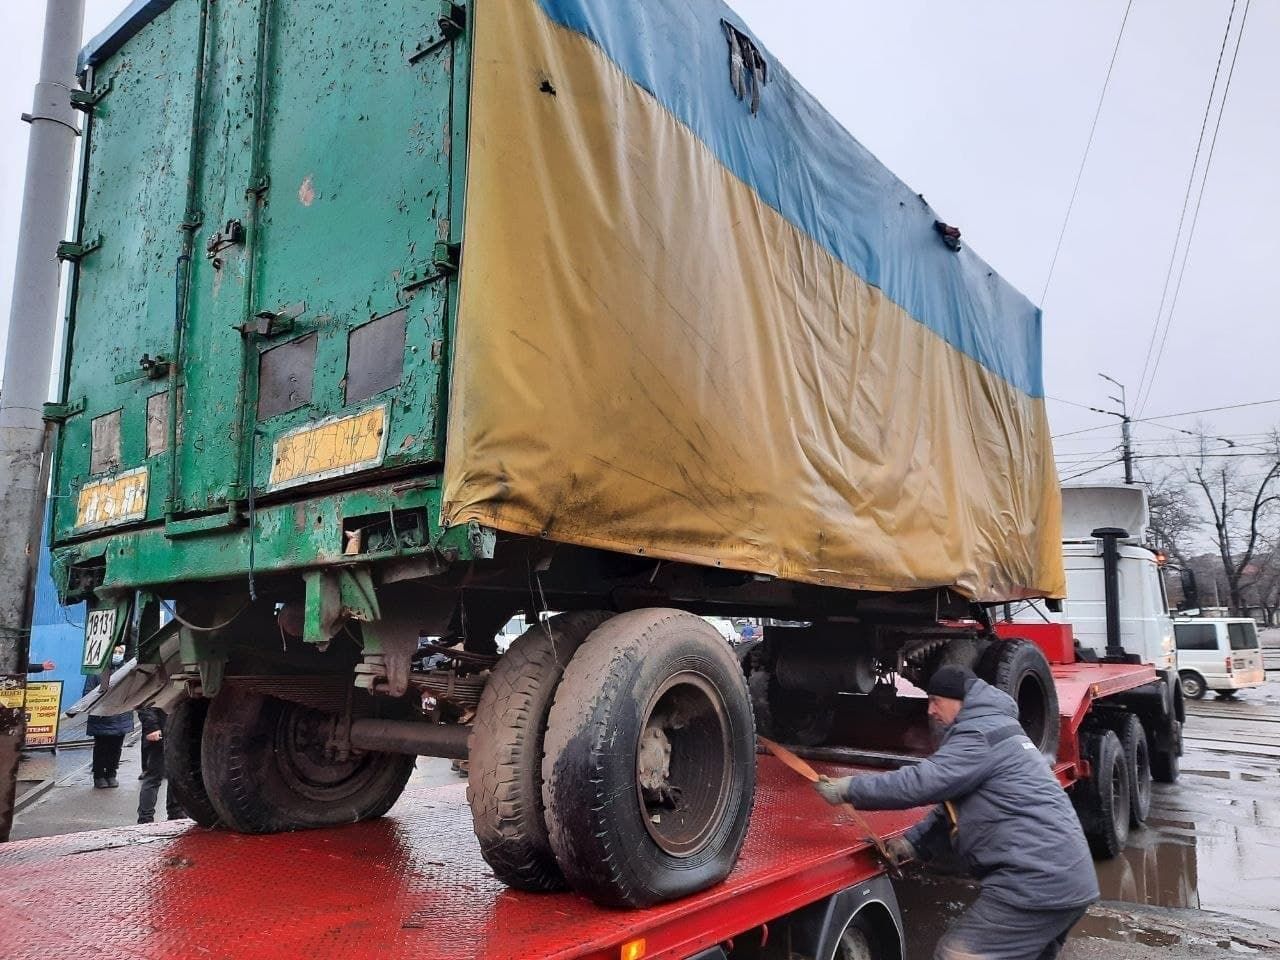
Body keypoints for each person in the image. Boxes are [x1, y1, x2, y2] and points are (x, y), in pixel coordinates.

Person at [814, 665, 1098, 960]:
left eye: (936, 700)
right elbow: (952, 807)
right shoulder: (997, 729)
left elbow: (923, 783)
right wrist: (912, 843)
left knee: (957, 954)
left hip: (1034, 882)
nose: (931, 711)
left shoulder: (979, 734)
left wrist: (849, 789)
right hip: (1066, 879)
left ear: (960, 699)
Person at [82, 645, 134, 789]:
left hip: (120, 717)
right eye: (115, 652)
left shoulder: (127, 670)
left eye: (120, 652)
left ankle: (111, 773)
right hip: (102, 717)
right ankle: (99, 775)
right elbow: (88, 693)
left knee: (116, 748)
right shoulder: (97, 671)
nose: (117, 655)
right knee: (101, 748)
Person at [136, 705, 183, 823]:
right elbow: (145, 703)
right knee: (154, 777)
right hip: (160, 734)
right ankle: (145, 818)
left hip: (176, 732)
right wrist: (152, 727)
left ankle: (176, 812)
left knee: (176, 775)